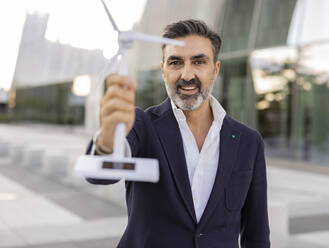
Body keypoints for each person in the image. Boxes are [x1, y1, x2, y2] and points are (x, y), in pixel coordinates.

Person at [86, 19, 270, 248]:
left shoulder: (248, 142)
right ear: (163, 69)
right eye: (175, 62)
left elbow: (257, 235)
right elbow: (99, 173)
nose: (186, 74)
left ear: (215, 69)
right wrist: (108, 138)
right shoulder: (140, 125)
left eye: (199, 62)